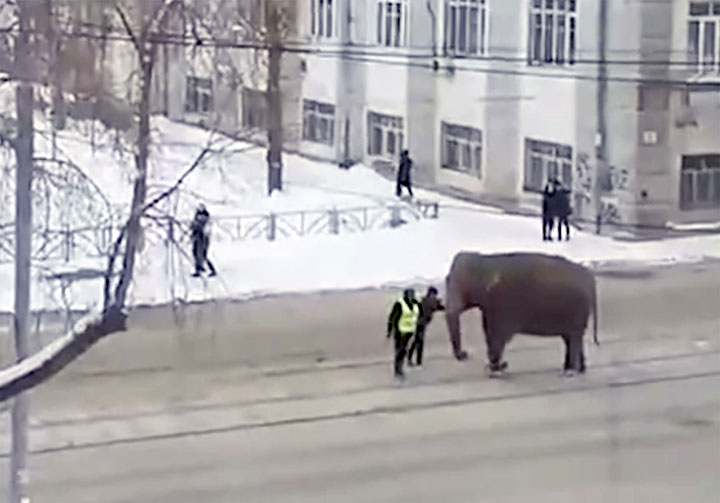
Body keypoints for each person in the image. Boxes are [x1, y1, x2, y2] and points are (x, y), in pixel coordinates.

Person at [386, 288, 420, 379]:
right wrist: (389, 331)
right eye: (410, 295)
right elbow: (392, 318)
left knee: (404, 350)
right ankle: (398, 370)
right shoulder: (399, 304)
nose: (412, 296)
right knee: (400, 351)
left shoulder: (416, 304)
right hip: (399, 331)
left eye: (413, 294)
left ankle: (400, 368)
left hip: (410, 331)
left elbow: (419, 315)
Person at [408, 286, 445, 367]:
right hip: (420, 323)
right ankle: (412, 359)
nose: (435, 296)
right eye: (434, 294)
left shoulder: (426, 300)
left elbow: (438, 307)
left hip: (421, 323)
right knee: (418, 341)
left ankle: (416, 360)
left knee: (418, 341)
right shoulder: (428, 301)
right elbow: (436, 307)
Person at [190, 204, 217, 277]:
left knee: (202, 254)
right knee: (195, 253)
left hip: (203, 238)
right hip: (197, 237)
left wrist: (197, 227)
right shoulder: (197, 218)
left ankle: (211, 269)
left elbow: (205, 230)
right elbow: (193, 226)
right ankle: (199, 268)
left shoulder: (206, 219)